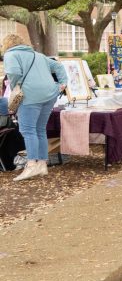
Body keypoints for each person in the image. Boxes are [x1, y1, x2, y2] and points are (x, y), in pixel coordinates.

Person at [2, 34, 68, 181]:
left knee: (28, 130)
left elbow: (13, 72)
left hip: (30, 95)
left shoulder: (10, 54)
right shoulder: (38, 55)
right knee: (39, 129)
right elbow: (58, 65)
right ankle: (42, 164)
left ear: (6, 45)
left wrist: (15, 88)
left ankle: (31, 165)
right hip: (50, 94)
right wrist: (62, 84)